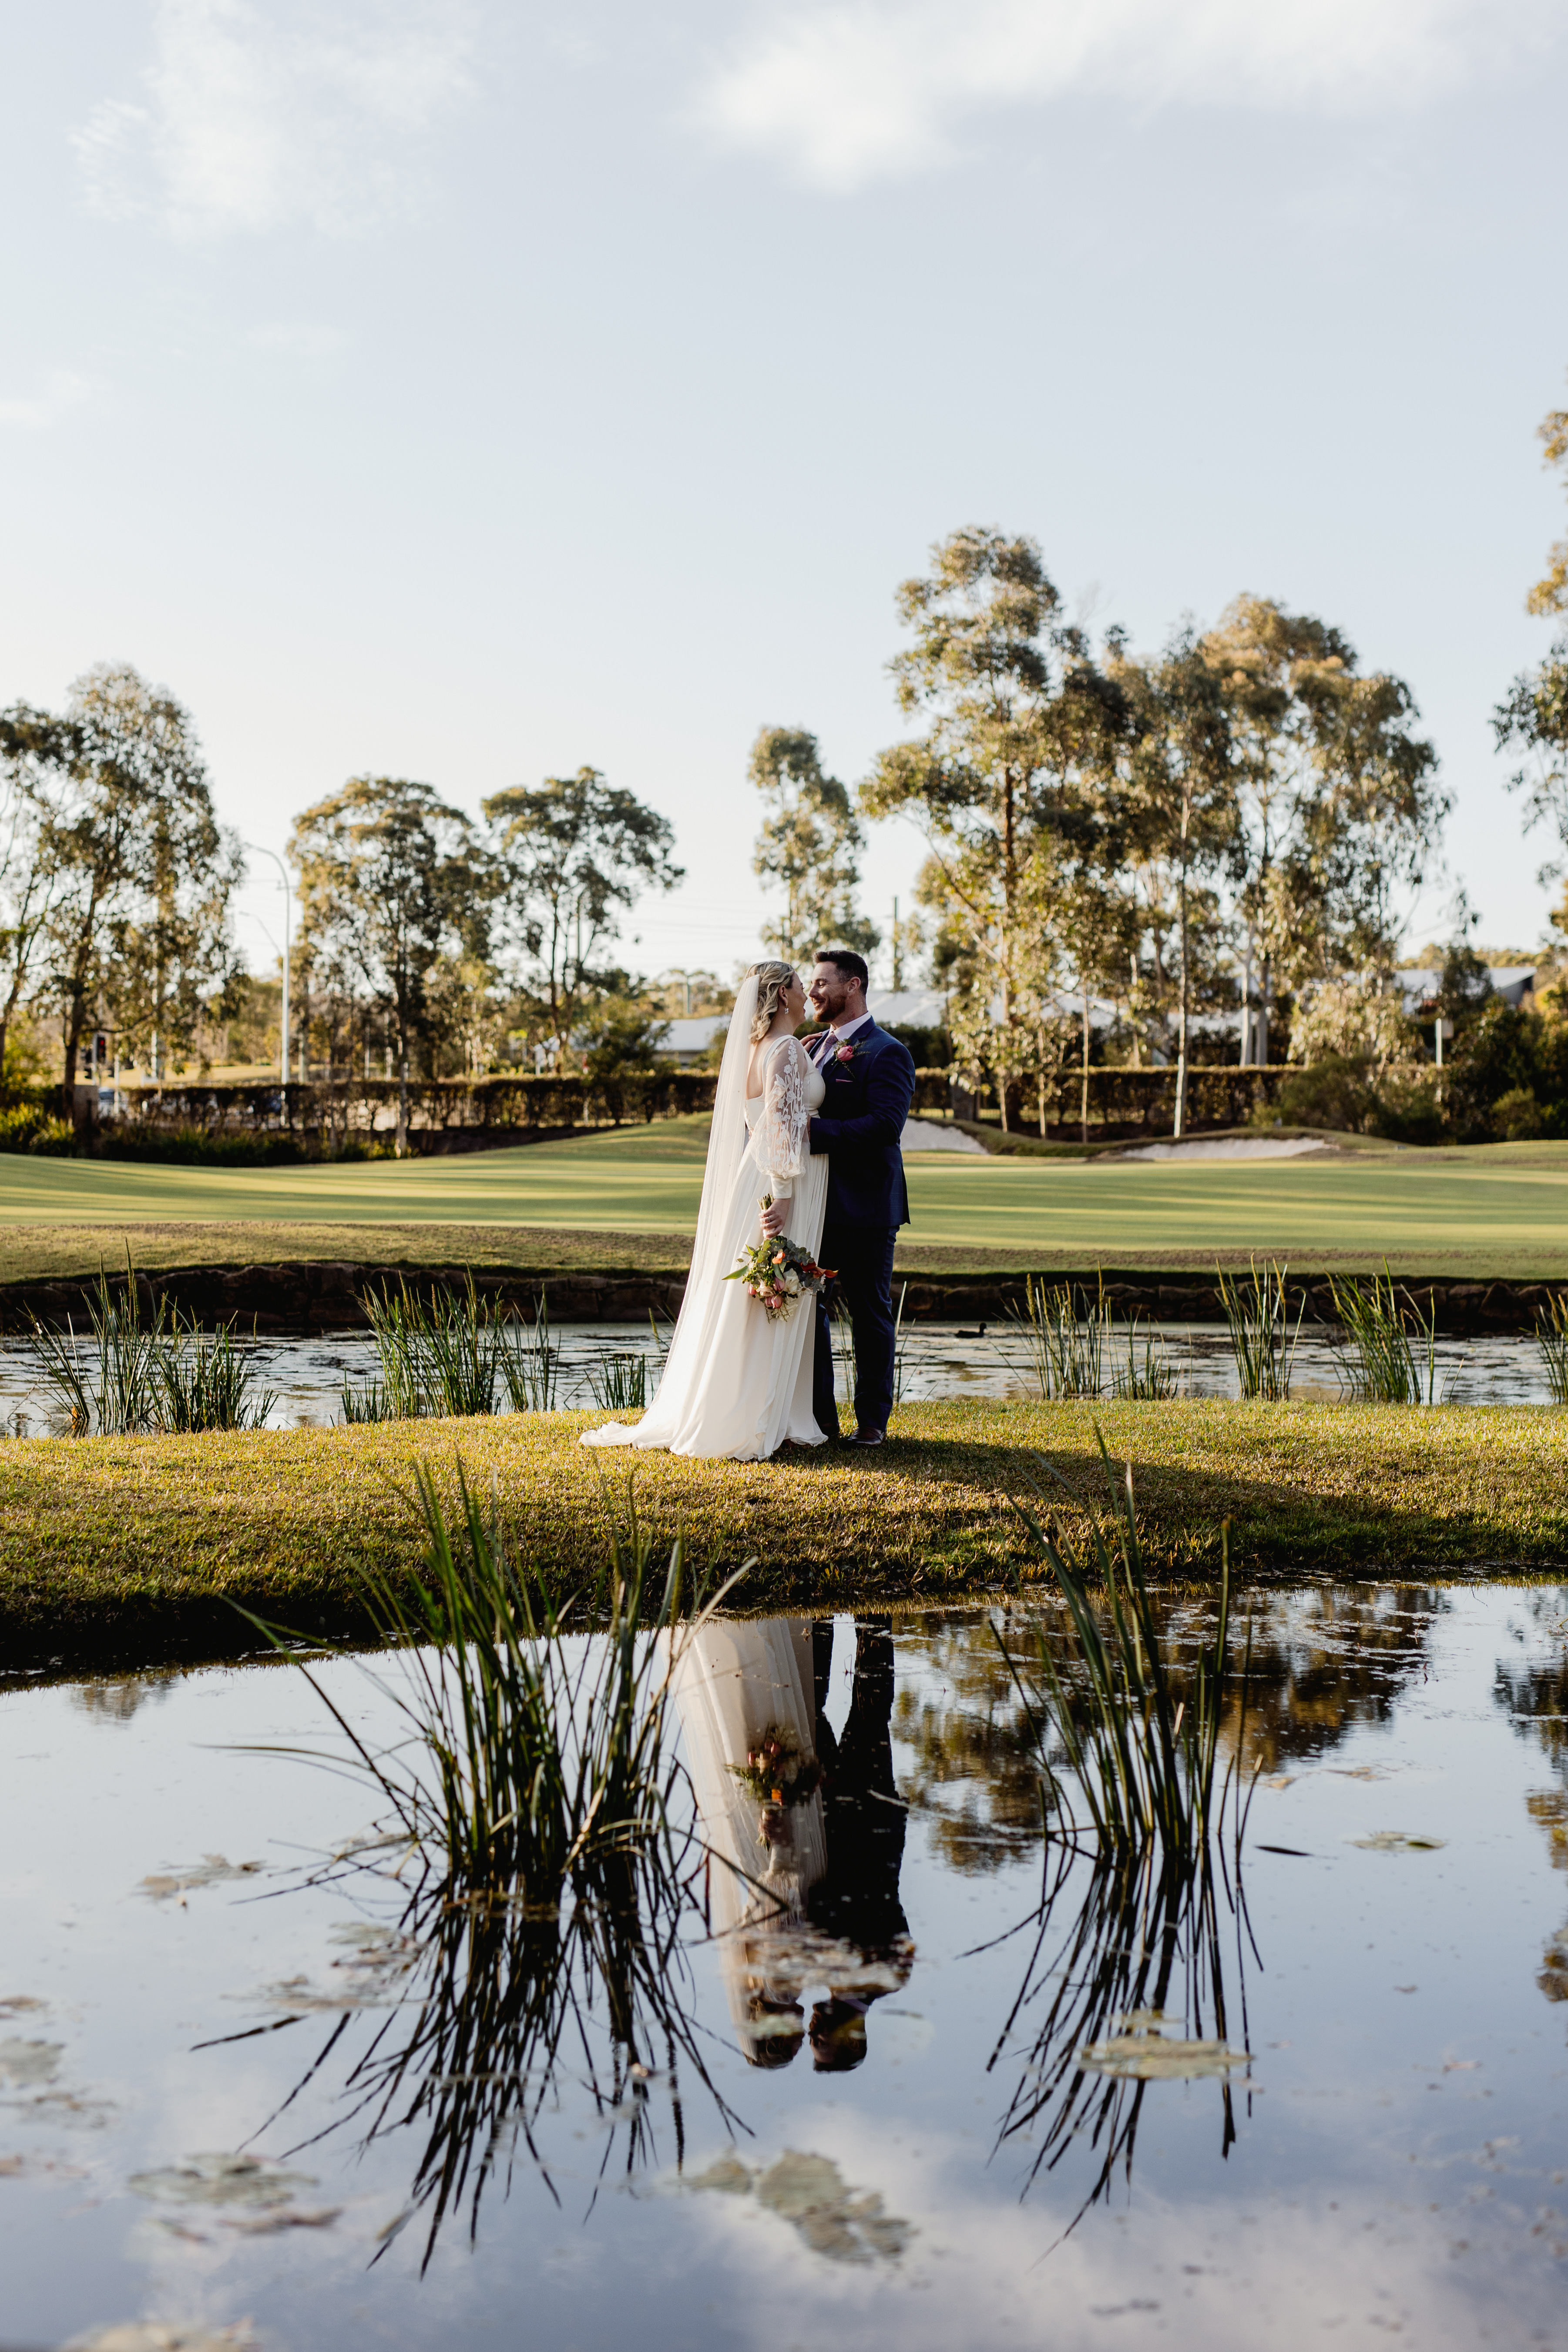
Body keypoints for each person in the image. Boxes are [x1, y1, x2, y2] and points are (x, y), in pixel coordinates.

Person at [579, 961, 830, 1461]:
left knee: (762, 1295)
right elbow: (780, 1126)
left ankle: (767, 1409)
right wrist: (783, 1194)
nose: (807, 995)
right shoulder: (783, 1049)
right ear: (783, 994)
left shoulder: (762, 1048)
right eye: (801, 987)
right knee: (771, 1293)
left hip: (763, 1175)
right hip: (782, 1182)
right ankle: (755, 1415)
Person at [761, 949, 915, 1449]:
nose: (814, 991)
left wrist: (815, 1132)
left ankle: (871, 1423)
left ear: (853, 986)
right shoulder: (812, 1046)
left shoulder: (888, 1051)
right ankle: (820, 1420)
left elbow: (886, 1126)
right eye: (811, 984)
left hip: (868, 1206)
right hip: (816, 1206)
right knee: (810, 1310)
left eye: (823, 982)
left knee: (870, 1313)